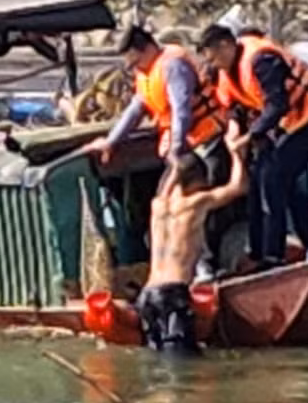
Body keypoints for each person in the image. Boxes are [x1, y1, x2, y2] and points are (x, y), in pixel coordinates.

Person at [82, 25, 232, 280]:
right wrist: (111, 141)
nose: (135, 69)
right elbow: (135, 109)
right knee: (164, 204)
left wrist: (175, 150)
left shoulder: (173, 66)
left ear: (148, 49)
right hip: (183, 149)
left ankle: (209, 266)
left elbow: (182, 110)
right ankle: (180, 267)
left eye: (136, 61)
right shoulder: (146, 73)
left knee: (201, 205)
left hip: (206, 142)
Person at [199, 24, 308, 272]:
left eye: (214, 58)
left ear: (226, 46)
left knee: (274, 179)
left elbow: (277, 104)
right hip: (282, 129)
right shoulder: (227, 73)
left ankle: (275, 255)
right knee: (259, 178)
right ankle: (259, 251)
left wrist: (249, 138)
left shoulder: (262, 60)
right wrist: (235, 128)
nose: (214, 66)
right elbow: (233, 108)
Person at [139, 124, 248, 355]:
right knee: (182, 364)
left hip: (147, 296)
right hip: (172, 294)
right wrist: (236, 151)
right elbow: (239, 186)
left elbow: (171, 181)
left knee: (156, 361)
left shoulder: (157, 205)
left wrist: (175, 165)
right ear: (195, 181)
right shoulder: (195, 203)